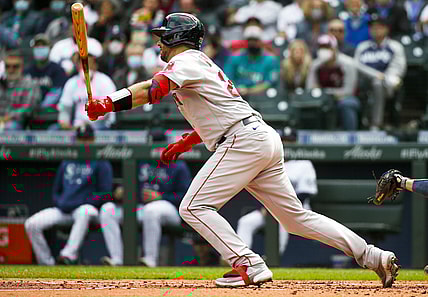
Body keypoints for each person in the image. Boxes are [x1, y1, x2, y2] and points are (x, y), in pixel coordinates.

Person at [85, 12, 400, 288]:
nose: (159, 45)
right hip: (257, 136)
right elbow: (219, 110)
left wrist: (108, 103)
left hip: (243, 140)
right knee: (296, 220)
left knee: (193, 207)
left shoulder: (185, 61)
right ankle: (373, 256)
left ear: (176, 37)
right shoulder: (197, 64)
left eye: (163, 38)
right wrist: (187, 141)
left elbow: (153, 91)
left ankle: (248, 263)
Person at [24, 125, 113, 265]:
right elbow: (56, 191)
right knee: (31, 224)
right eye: (81, 139)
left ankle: (68, 256)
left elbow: (106, 193)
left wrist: (81, 201)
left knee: (84, 212)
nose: (84, 143)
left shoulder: (100, 162)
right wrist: (62, 203)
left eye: (87, 139)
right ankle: (46, 263)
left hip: (87, 209)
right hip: (64, 209)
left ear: (94, 140)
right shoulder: (68, 160)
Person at [99, 136, 192, 266]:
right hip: (140, 207)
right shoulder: (142, 161)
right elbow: (132, 186)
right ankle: (116, 259)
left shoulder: (178, 165)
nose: (157, 148)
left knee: (152, 209)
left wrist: (161, 196)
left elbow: (185, 196)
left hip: (169, 209)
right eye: (154, 143)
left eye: (161, 144)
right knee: (107, 209)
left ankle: (150, 259)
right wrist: (123, 192)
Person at [237, 153, 317, 257]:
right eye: (284, 141)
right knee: (246, 222)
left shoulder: (303, 164)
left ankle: (273, 258)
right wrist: (264, 208)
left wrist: (281, 208)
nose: (286, 145)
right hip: (269, 209)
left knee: (281, 221)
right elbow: (258, 190)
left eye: (290, 141)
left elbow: (305, 192)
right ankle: (241, 258)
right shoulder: (269, 163)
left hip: (295, 210)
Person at [354, 9, 406, 130]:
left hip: (388, 85)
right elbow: (356, 66)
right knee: (376, 81)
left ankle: (375, 123)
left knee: (380, 83)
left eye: (379, 27)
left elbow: (398, 68)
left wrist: (384, 78)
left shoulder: (394, 46)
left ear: (386, 29)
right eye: (373, 27)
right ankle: (373, 123)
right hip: (365, 82)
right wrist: (376, 75)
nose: (376, 30)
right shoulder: (363, 47)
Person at [56, 43, 116, 130]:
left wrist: (88, 125)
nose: (85, 65)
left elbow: (109, 110)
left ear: (95, 65)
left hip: (101, 127)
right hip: (77, 128)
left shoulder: (105, 81)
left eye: (89, 62)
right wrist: (65, 124)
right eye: (81, 62)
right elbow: (65, 108)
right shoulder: (71, 83)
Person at [306, 34, 360, 131]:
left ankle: (351, 137)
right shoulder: (315, 65)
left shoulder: (348, 64)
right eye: (321, 47)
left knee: (347, 104)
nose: (324, 50)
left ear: (334, 48)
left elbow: (349, 91)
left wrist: (325, 92)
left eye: (327, 47)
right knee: (312, 105)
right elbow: (309, 89)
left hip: (344, 98)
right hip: (322, 99)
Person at [224, 24, 280, 99]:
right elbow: (228, 78)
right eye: (250, 40)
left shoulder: (271, 60)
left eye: (255, 40)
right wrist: (237, 88)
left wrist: (249, 91)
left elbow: (269, 83)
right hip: (236, 96)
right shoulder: (235, 57)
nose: (253, 43)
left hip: (262, 98)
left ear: (261, 41)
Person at [0, 49, 41, 130]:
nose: (11, 70)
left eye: (15, 66)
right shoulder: (1, 83)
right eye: (7, 66)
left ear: (22, 67)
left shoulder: (30, 84)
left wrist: (6, 118)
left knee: (10, 127)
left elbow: (28, 109)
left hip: (16, 123)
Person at [24, 33, 67, 109]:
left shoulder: (57, 70)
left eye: (43, 45)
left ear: (49, 48)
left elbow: (56, 92)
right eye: (37, 46)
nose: (40, 48)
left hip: (50, 111)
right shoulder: (27, 71)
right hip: (29, 110)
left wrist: (41, 107)